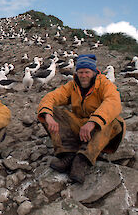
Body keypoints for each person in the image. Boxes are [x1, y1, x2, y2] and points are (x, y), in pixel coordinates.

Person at [37, 54, 126, 183]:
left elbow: (113, 102)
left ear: (94, 72)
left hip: (97, 130)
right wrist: (48, 116)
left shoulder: (105, 84)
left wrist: (93, 122)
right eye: (80, 72)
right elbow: (50, 97)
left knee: (115, 121)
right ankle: (68, 154)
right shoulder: (72, 86)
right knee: (50, 112)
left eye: (87, 72)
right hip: (79, 126)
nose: (83, 75)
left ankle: (81, 160)